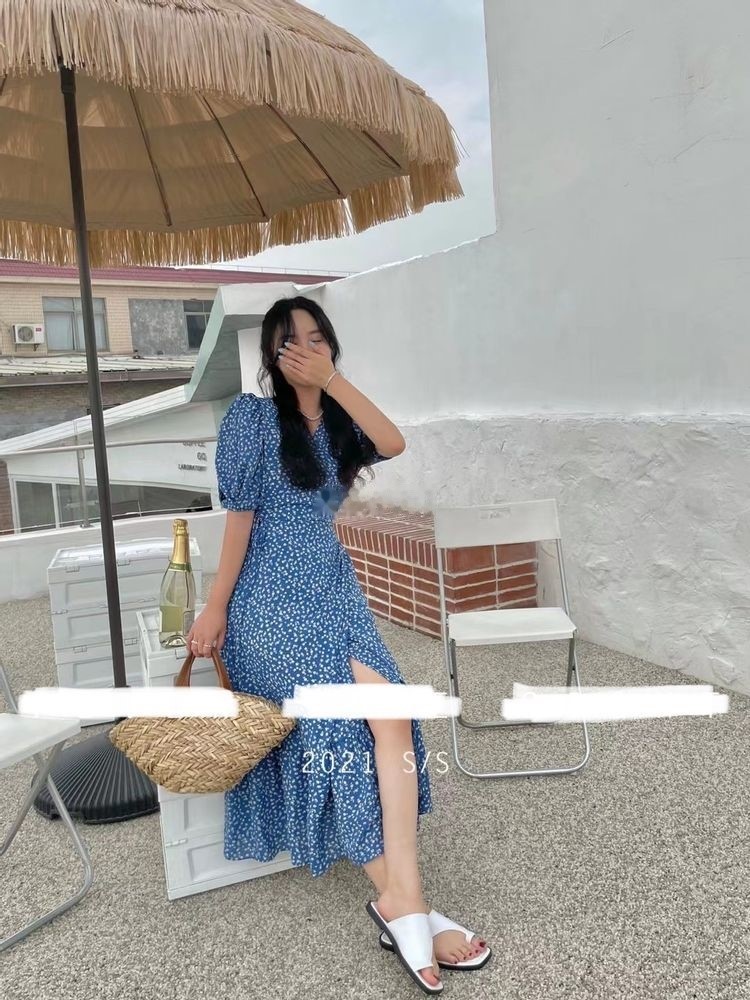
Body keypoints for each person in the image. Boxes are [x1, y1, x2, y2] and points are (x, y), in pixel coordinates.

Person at [187, 296, 491, 993]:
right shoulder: (251, 419)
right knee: (337, 730)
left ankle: (403, 901)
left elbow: (394, 442)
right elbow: (239, 520)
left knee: (393, 714)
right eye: (289, 341)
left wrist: (331, 382)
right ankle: (411, 907)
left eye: (316, 338)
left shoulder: (342, 418)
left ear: (330, 348)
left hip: (333, 593)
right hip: (266, 602)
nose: (304, 349)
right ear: (272, 356)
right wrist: (216, 606)